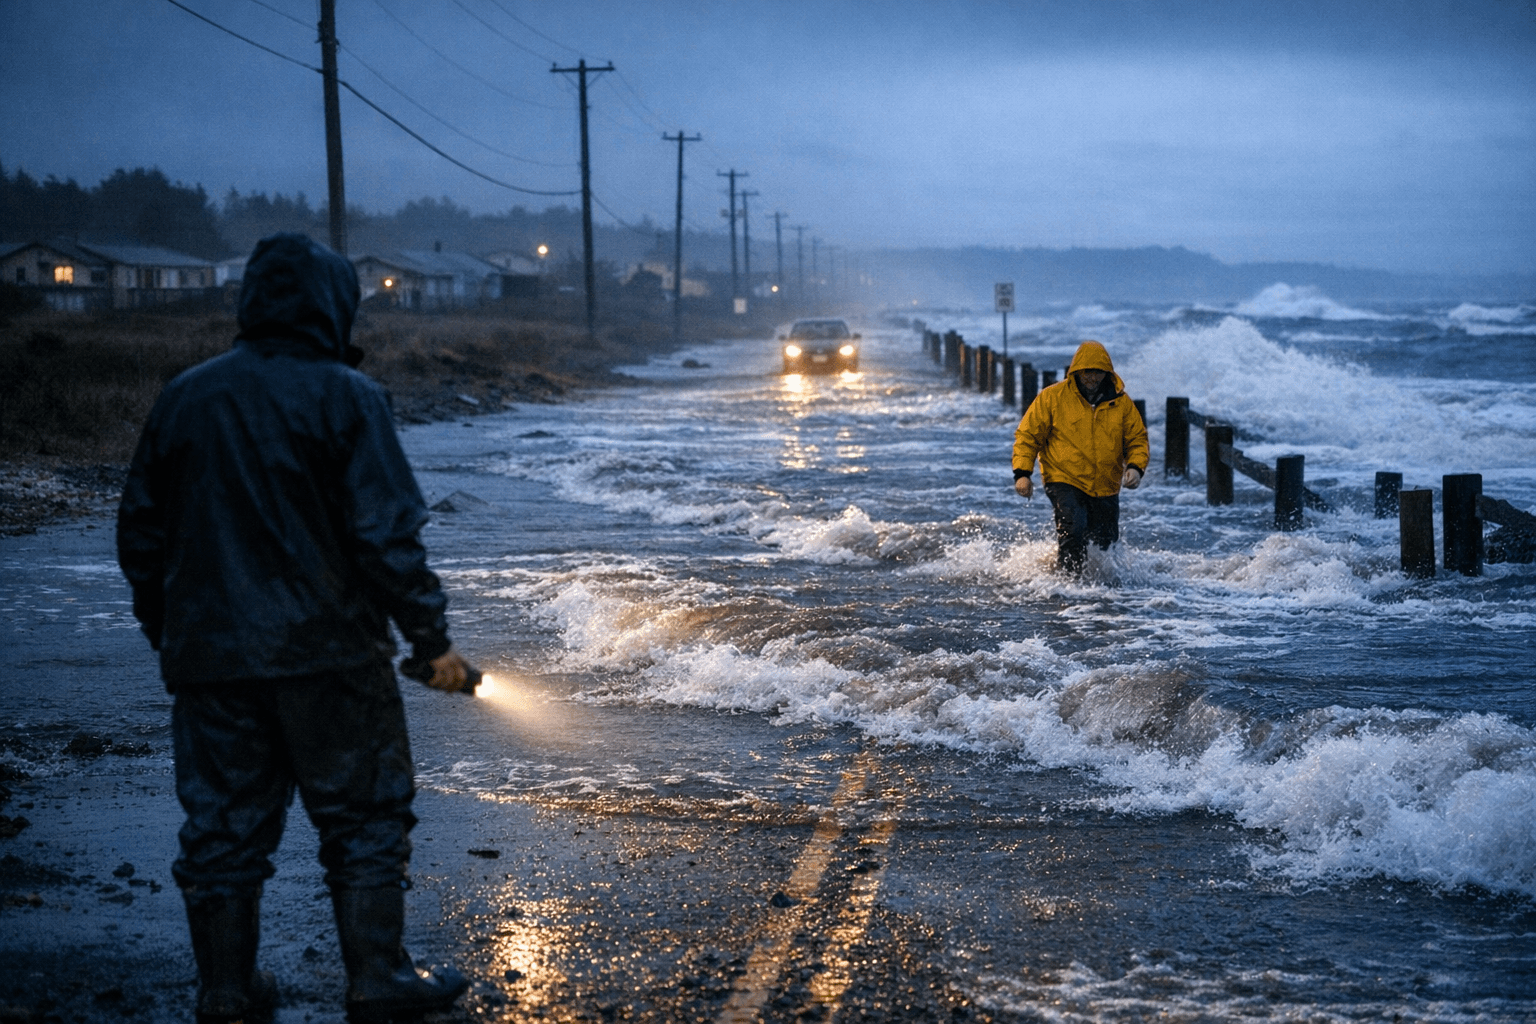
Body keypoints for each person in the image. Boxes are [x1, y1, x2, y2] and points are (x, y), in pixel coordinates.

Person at [117, 234, 473, 1024]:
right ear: (330, 303)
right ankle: (378, 977)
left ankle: (225, 992)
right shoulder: (348, 396)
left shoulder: (185, 396)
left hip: (211, 661)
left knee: (222, 830)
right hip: (331, 658)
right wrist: (432, 641)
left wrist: (173, 636)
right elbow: (387, 537)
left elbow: (139, 534)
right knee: (365, 816)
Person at [1012, 340, 1149, 574]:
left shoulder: (1122, 403)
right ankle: (1069, 586)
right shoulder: (1052, 398)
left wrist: (1135, 468)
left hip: (1106, 484)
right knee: (1073, 529)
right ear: (1076, 371)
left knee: (1104, 544)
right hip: (1064, 478)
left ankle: (1099, 592)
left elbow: (1137, 440)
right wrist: (1023, 474)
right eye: (1087, 372)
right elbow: (1027, 436)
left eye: (1098, 373)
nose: (1092, 378)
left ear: (1107, 373)